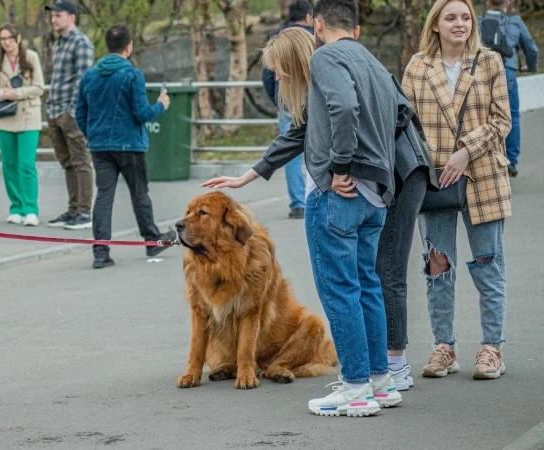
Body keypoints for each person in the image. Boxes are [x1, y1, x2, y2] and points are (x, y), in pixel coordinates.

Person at [203, 0, 413, 416]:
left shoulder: (327, 58)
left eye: (279, 68)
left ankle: (355, 388)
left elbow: (345, 109)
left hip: (339, 196)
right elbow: (394, 113)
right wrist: (250, 174)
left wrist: (339, 165)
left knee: (340, 292)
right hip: (376, 195)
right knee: (366, 286)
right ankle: (379, 381)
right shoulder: (366, 59)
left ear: (316, 26)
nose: (277, 76)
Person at [402, 0, 512, 380]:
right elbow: (405, 124)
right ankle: (444, 346)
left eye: (465, 17)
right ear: (435, 25)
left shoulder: (490, 62)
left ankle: (491, 348)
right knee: (437, 265)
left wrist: (465, 151)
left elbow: (502, 120)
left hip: (483, 175)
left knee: (488, 262)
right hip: (435, 180)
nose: (459, 23)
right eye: (450, 17)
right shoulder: (418, 66)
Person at [75, 24, 177, 269]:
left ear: (107, 46)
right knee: (139, 193)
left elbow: (80, 113)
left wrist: (92, 135)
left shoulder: (89, 76)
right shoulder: (132, 74)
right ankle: (152, 241)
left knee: (104, 196)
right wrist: (161, 105)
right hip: (130, 144)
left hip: (100, 146)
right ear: (129, 47)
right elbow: (142, 113)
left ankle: (101, 252)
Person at [43, 0, 95, 230]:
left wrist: (73, 111)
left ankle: (85, 212)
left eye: (58, 15)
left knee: (81, 161)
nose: (54, 20)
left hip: (70, 113)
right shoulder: (58, 44)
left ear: (71, 17)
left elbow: (84, 80)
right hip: (54, 110)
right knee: (67, 162)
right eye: (52, 16)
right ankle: (73, 209)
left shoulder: (81, 43)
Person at [0, 24, 45, 227]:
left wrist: (18, 93)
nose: (6, 42)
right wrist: (2, 94)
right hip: (5, 117)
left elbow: (39, 87)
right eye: (2, 39)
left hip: (28, 116)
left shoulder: (30, 57)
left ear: (18, 38)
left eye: (10, 38)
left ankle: (31, 209)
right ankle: (16, 207)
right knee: (9, 165)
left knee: (26, 164)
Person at [261, 0, 314, 219]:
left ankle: (297, 204)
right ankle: (314, 195)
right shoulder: (313, 37)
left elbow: (267, 75)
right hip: (308, 99)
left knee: (289, 152)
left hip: (285, 102)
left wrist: (276, 100)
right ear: (309, 16)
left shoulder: (277, 37)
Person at [478, 0, 538, 177]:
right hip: (507, 73)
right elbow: (532, 49)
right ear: (509, 3)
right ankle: (510, 162)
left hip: (481, 74)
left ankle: (483, 157)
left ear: (488, 3)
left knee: (481, 114)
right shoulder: (515, 22)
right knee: (512, 115)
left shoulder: (477, 20)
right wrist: (531, 66)